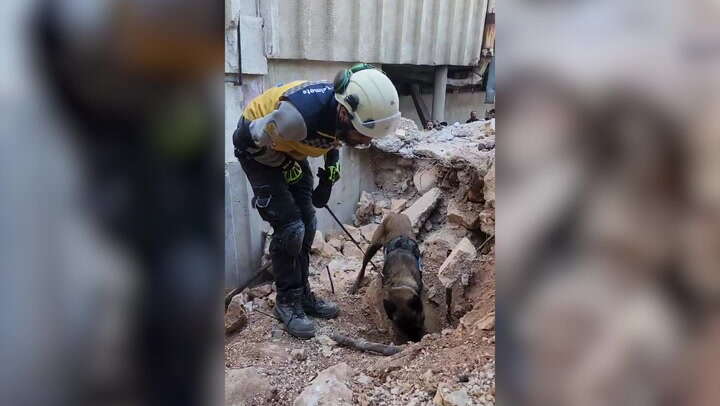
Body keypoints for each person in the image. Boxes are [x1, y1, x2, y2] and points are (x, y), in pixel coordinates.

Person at [232, 64, 401, 339]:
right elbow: (242, 141)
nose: (367, 142)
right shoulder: (295, 119)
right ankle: (286, 302)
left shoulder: (342, 115)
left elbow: (333, 144)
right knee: (291, 228)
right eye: (364, 134)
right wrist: (283, 163)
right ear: (344, 113)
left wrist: (327, 181)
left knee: (308, 224)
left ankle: (302, 294)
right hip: (260, 152)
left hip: (290, 150)